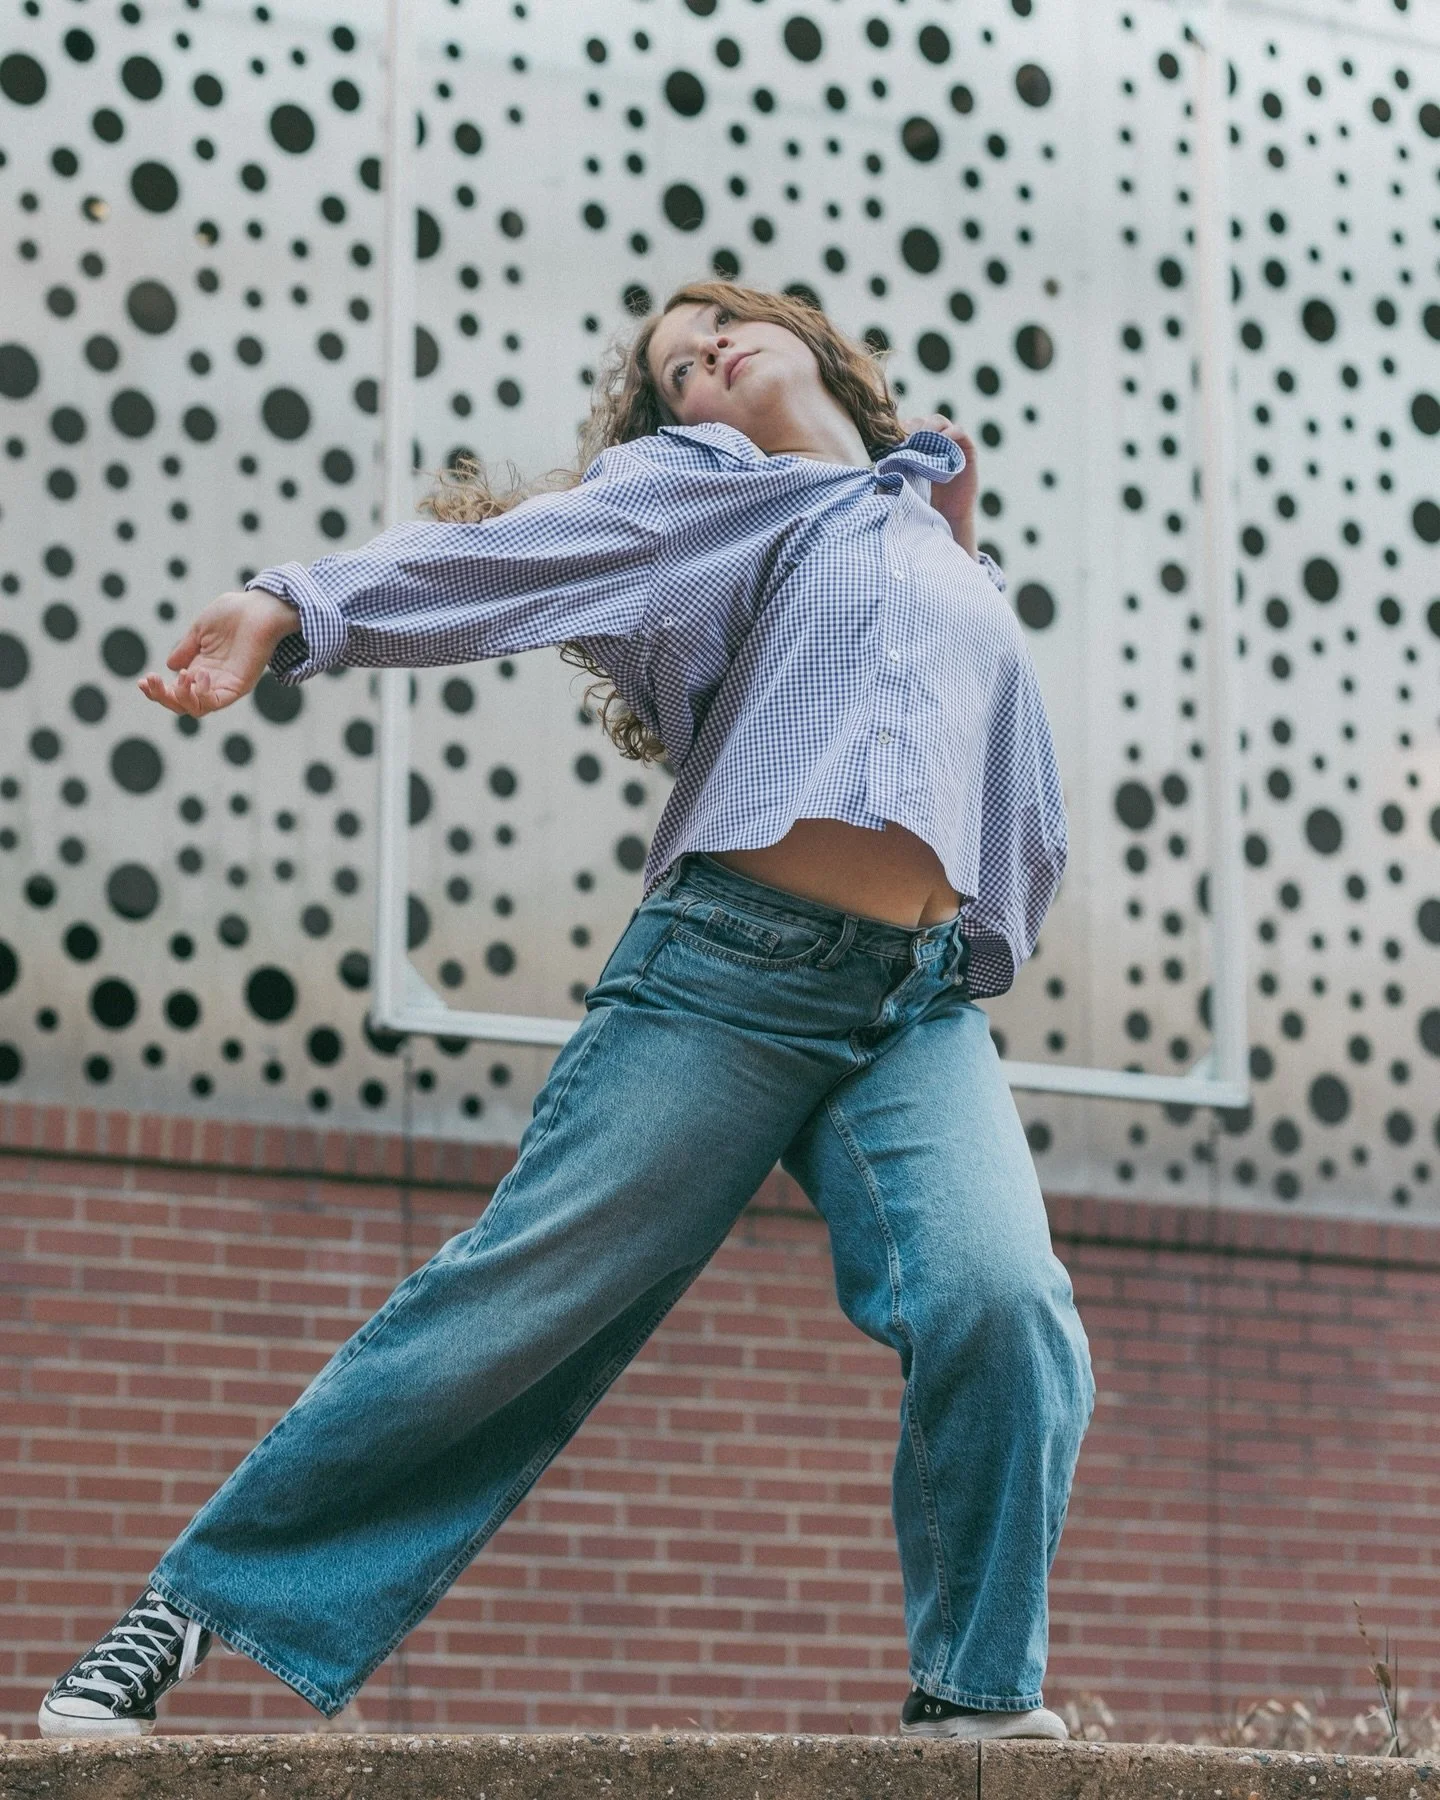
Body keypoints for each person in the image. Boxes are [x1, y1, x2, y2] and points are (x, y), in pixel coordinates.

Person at [38, 279, 1093, 1743]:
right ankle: (191, 1612)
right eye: (678, 367)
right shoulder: (699, 488)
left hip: (912, 1006)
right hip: (730, 973)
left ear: (814, 343)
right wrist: (293, 605)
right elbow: (507, 565)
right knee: (523, 1298)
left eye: (723, 325)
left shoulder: (929, 523)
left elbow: (996, 765)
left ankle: (974, 1695)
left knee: (1004, 1299)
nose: (706, 354)